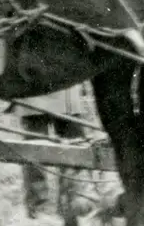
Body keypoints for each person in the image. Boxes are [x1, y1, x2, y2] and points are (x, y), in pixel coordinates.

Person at [14, 86, 91, 218]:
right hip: (33, 86)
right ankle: (38, 211)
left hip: (67, 86)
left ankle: (73, 205)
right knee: (34, 147)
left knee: (74, 144)